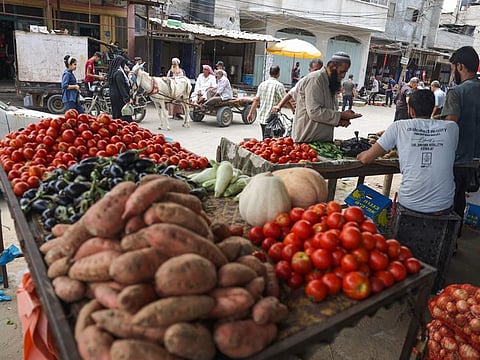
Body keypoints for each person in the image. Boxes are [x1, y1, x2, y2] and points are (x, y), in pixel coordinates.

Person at [358, 89, 459, 214]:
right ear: (433, 107)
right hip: (443, 205)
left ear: (411, 110)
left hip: (410, 204)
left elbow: (366, 158)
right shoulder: (452, 128)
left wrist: (360, 154)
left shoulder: (399, 126)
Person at [440, 46, 480, 238]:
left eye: (453, 68)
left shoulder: (457, 92)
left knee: (451, 199)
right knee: (461, 198)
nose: (453, 73)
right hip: (475, 159)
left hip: (457, 157)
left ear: (460, 66)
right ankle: (455, 236)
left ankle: (448, 241)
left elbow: (450, 126)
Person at [291, 52, 362, 143]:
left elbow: (326, 112)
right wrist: (341, 115)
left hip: (321, 140)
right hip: (307, 140)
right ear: (332, 67)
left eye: (345, 72)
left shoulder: (330, 82)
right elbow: (315, 112)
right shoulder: (315, 79)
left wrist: (339, 121)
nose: (343, 76)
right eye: (342, 72)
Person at [247, 65, 287, 139]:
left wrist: (250, 113)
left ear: (269, 73)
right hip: (272, 119)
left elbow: (256, 100)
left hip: (262, 117)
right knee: (271, 141)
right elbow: (286, 99)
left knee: (266, 139)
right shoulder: (279, 85)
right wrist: (293, 109)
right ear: (278, 74)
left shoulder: (262, 84)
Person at [108, 56, 133, 122]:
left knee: (117, 115)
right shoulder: (119, 73)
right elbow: (121, 87)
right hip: (119, 98)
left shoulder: (114, 72)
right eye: (124, 63)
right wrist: (127, 98)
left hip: (114, 96)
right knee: (124, 116)